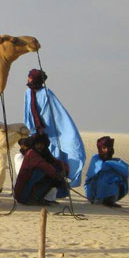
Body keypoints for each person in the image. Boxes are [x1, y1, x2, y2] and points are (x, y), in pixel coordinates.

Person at [23, 69, 86, 197]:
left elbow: (53, 115)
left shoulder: (46, 94)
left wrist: (43, 130)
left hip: (51, 134)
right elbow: (28, 114)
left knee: (54, 159)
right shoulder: (27, 93)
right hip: (35, 133)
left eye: (31, 78)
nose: (29, 80)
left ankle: (56, 192)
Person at [14, 133, 69, 205]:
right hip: (22, 193)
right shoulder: (31, 153)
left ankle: (39, 198)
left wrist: (64, 170)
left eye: (41, 144)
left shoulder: (45, 153)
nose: (39, 146)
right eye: (38, 144)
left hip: (30, 188)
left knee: (54, 174)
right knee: (42, 172)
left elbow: (56, 162)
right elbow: (42, 165)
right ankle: (31, 198)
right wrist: (56, 174)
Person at [84, 136, 129, 208]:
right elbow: (92, 175)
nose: (107, 150)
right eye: (104, 148)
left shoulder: (117, 163)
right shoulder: (96, 160)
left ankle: (110, 201)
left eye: (109, 148)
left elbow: (125, 172)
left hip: (112, 195)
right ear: (100, 149)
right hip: (96, 195)